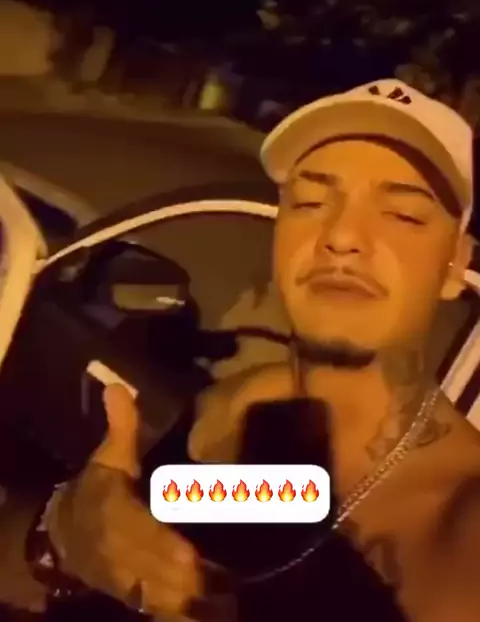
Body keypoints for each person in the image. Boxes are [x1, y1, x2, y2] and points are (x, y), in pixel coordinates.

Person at [13, 80, 480, 620]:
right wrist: (65, 529)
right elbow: (88, 558)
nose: (342, 236)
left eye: (402, 214)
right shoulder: (242, 408)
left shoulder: (461, 518)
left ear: (454, 264)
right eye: (310, 202)